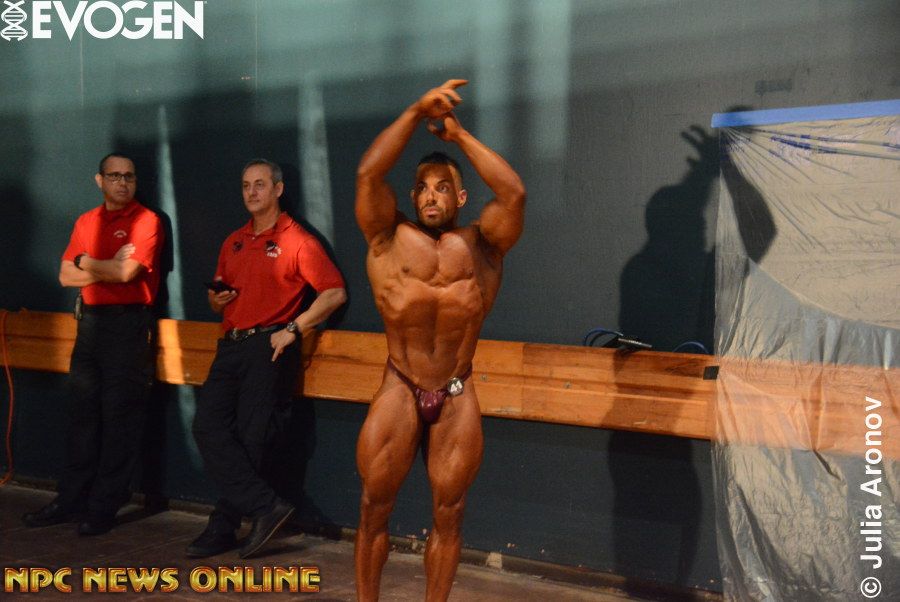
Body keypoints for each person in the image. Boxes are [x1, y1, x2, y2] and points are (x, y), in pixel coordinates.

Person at [354, 80, 526, 600]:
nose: (432, 195)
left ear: (460, 196)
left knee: (449, 514)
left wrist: (458, 137)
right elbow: (369, 173)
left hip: (455, 391)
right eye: (424, 187)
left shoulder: (484, 247)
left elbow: (514, 193)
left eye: (443, 187)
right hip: (400, 385)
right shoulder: (386, 238)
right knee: (373, 508)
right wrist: (414, 112)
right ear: (412, 196)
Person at [188, 159, 347, 559]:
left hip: (268, 346)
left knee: (251, 439)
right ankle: (265, 507)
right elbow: (216, 297)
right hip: (231, 344)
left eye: (260, 184)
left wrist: (294, 328)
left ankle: (223, 525)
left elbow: (334, 292)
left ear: (278, 189)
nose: (252, 192)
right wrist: (217, 298)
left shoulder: (297, 240)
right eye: (246, 185)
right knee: (206, 426)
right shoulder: (234, 240)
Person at [22, 152, 164, 536]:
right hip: (90, 326)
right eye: (114, 176)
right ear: (99, 181)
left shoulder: (147, 221)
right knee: (81, 418)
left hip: (128, 327)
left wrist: (86, 261)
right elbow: (64, 276)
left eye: (129, 176)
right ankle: (70, 499)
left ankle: (103, 507)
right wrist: (102, 265)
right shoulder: (87, 221)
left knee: (119, 421)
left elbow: (127, 272)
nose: (123, 182)